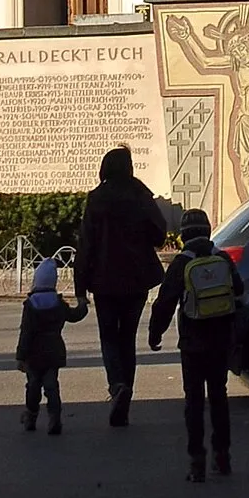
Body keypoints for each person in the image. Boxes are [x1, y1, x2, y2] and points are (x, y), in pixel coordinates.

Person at [149, 207, 248, 482]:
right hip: (221, 340)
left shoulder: (182, 262)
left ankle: (197, 461)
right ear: (207, 231)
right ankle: (222, 456)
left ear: (183, 235)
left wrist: (155, 334)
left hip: (193, 342)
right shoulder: (222, 258)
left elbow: (166, 301)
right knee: (218, 396)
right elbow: (238, 290)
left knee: (193, 400)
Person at [75, 143, 168, 426]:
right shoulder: (140, 195)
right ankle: (125, 391)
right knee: (127, 337)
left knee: (108, 336)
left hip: (104, 280)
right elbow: (159, 234)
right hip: (136, 279)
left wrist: (80, 289)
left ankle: (116, 385)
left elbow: (86, 244)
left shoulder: (97, 199)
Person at [14, 254, 88, 435]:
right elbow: (74, 316)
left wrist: (21, 356)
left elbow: (26, 333)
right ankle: (55, 417)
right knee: (51, 386)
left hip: (34, 353)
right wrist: (83, 304)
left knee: (33, 385)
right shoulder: (58, 303)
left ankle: (31, 415)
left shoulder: (30, 305)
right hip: (54, 349)